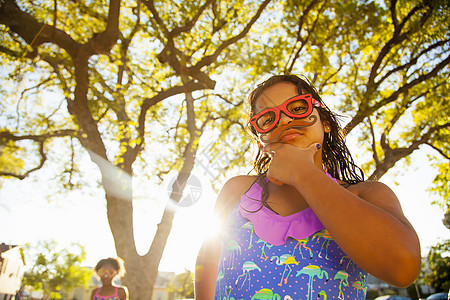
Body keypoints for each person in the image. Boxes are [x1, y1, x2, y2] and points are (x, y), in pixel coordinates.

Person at [195, 75, 421, 299]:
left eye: (297, 107)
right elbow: (207, 264)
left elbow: (403, 269)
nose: (284, 120)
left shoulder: (367, 194)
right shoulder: (238, 190)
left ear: (326, 123)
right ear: (260, 142)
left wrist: (304, 173)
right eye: (267, 119)